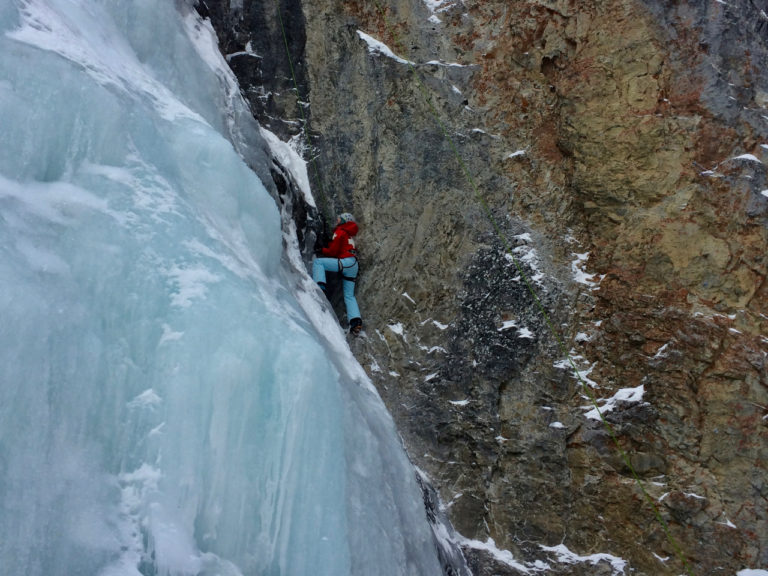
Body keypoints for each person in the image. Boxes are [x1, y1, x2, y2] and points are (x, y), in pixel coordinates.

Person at [312, 212, 363, 334]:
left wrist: (322, 249)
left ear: (345, 221)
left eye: (339, 219)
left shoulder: (340, 231)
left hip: (345, 262)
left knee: (318, 262)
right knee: (349, 295)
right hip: (353, 265)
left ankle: (320, 287)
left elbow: (333, 251)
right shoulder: (349, 234)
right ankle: (356, 322)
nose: (337, 220)